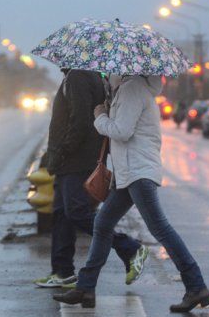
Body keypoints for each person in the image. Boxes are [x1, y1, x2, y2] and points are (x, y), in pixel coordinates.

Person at [54, 75, 209, 312]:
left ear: (123, 70)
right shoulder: (126, 91)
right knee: (103, 225)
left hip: (138, 173)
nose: (106, 75)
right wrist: (108, 109)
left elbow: (122, 131)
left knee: (161, 229)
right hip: (128, 173)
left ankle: (196, 286)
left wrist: (100, 117)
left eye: (109, 72)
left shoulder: (132, 89)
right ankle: (86, 288)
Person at [34, 69, 148, 289]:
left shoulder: (78, 76)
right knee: (61, 214)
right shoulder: (87, 75)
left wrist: (62, 151)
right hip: (74, 159)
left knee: (76, 211)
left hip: (76, 159)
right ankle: (62, 271)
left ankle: (130, 247)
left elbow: (80, 122)